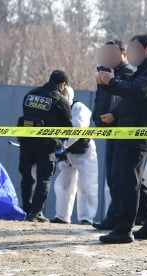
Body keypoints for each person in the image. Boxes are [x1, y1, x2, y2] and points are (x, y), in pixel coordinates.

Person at [97, 34, 147, 244]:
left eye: (135, 48)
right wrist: (114, 110)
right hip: (127, 131)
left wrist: (112, 81)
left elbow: (139, 92)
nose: (132, 52)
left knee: (128, 181)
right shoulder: (142, 71)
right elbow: (130, 99)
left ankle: (123, 229)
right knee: (133, 180)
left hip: (138, 133)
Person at [18, 70, 72, 222]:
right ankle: (35, 213)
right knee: (44, 178)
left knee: (27, 177)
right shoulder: (60, 100)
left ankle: (26, 210)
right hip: (46, 145)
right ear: (62, 85)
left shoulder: (30, 94)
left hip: (26, 142)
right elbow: (68, 128)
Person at [92, 40, 134, 230]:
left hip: (122, 131)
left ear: (124, 55)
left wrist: (115, 115)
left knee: (120, 179)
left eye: (113, 53)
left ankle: (119, 219)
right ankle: (116, 217)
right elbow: (102, 99)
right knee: (113, 178)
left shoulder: (128, 75)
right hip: (110, 130)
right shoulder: (106, 74)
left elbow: (128, 100)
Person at [51, 86, 98, 225]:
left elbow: (78, 129)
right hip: (66, 153)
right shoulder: (57, 108)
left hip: (84, 152)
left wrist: (63, 145)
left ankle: (86, 218)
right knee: (63, 184)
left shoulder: (79, 108)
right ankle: (62, 216)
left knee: (87, 185)